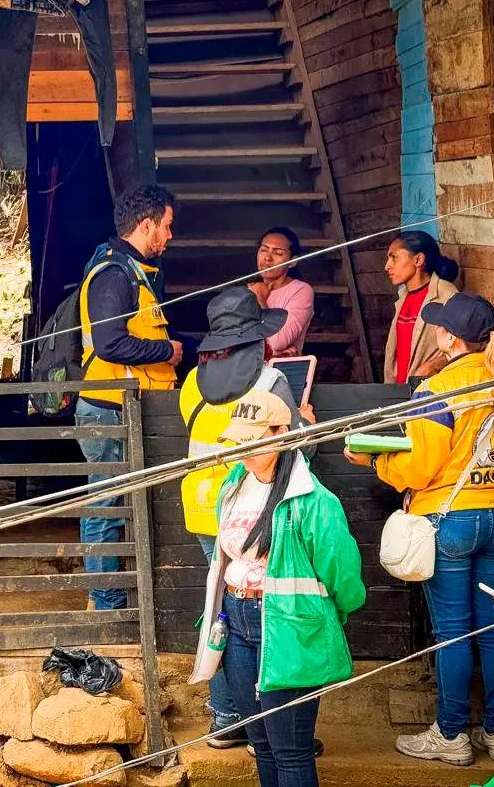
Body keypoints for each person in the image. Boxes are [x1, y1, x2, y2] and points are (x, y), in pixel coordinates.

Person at [345, 292, 494, 765]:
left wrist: (376, 460)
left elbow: (418, 470)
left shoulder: (437, 391)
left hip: (450, 521)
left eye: (438, 325)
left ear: (450, 337)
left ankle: (451, 734)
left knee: (452, 631)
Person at [192, 390, 366, 787]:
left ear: (283, 433)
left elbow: (344, 575)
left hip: (289, 625)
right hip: (234, 619)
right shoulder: (233, 486)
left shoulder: (315, 501)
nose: (243, 451)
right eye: (239, 441)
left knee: (290, 750)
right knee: (261, 742)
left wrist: (323, 618)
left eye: (253, 441)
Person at [179, 287, 314, 748]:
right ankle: (269, 725)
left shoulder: (192, 382)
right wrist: (306, 422)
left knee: (218, 608)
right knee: (262, 609)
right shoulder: (271, 381)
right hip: (251, 507)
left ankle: (224, 719)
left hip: (202, 507)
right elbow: (292, 449)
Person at [76, 184, 183, 610]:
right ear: (146, 225)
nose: (170, 237)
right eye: (167, 226)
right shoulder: (113, 274)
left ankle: (116, 598)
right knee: (105, 507)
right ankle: (107, 604)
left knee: (120, 503)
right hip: (108, 409)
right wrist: (167, 351)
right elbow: (109, 344)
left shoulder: (135, 273)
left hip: (131, 408)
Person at [383, 230, 459, 384]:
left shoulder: (446, 295)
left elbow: (465, 348)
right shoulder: (402, 298)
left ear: (418, 260)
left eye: (394, 257)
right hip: (398, 393)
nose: (387, 266)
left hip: (427, 394)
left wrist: (434, 365)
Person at [248, 227, 315, 357]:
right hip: (243, 372)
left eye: (278, 253)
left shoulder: (301, 291)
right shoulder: (249, 289)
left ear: (292, 262)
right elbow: (232, 342)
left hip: (280, 373)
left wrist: (261, 301)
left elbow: (277, 342)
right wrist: (273, 352)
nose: (267, 258)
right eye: (263, 250)